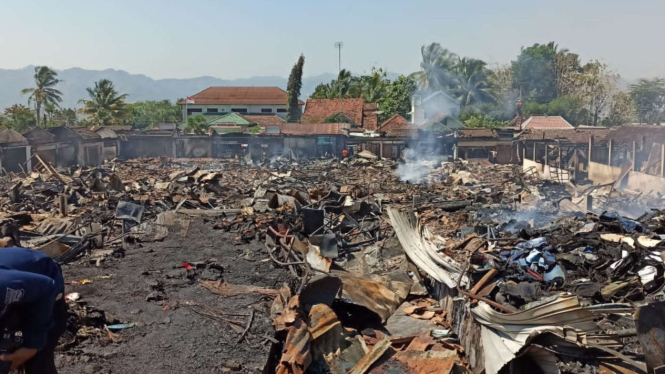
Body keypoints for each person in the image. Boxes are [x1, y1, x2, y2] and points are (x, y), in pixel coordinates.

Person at [0, 248, 66, 374]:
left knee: (38, 361)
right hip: (18, 283)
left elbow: (47, 288)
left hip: (44, 287)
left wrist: (33, 345)